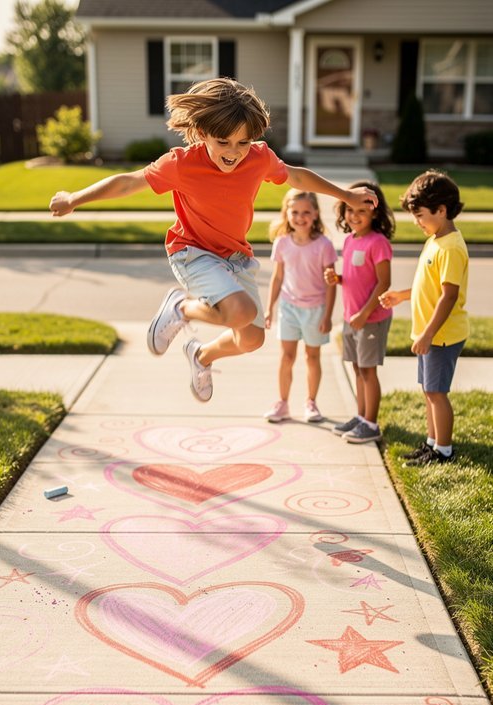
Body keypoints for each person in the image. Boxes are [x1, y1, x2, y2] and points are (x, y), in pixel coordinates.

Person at [49, 78, 377, 403]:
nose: (234, 152)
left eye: (243, 142)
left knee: (252, 339)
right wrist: (74, 199)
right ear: (202, 132)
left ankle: (201, 356)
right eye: (223, 142)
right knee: (240, 311)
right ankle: (181, 308)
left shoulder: (258, 158)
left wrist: (346, 194)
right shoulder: (181, 164)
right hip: (192, 251)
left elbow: (297, 176)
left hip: (235, 257)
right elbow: (127, 183)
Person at [379, 170, 469, 465]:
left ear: (441, 210)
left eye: (420, 215)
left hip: (441, 336)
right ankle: (432, 443)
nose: (417, 222)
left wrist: (428, 334)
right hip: (430, 334)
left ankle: (444, 450)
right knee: (429, 391)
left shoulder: (451, 247)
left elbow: (449, 296)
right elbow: (427, 286)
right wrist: (401, 295)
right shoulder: (436, 240)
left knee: (437, 393)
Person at [324, 180, 395, 443]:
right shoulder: (350, 240)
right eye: (350, 210)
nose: (355, 216)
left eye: (362, 211)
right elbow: (357, 277)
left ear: (375, 213)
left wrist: (365, 313)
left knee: (368, 371)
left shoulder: (378, 243)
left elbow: (383, 283)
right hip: (352, 317)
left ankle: (371, 424)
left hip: (370, 318)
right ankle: (361, 416)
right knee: (357, 368)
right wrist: (338, 279)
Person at [263, 189, 337, 423]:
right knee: (286, 357)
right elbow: (277, 278)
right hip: (288, 308)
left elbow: (331, 284)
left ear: (315, 214)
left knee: (312, 357)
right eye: (294, 212)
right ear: (286, 213)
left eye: (306, 212)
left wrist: (327, 315)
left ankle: (311, 403)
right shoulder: (282, 243)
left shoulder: (324, 245)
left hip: (315, 310)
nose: (300, 217)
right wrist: (269, 308)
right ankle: (282, 403)